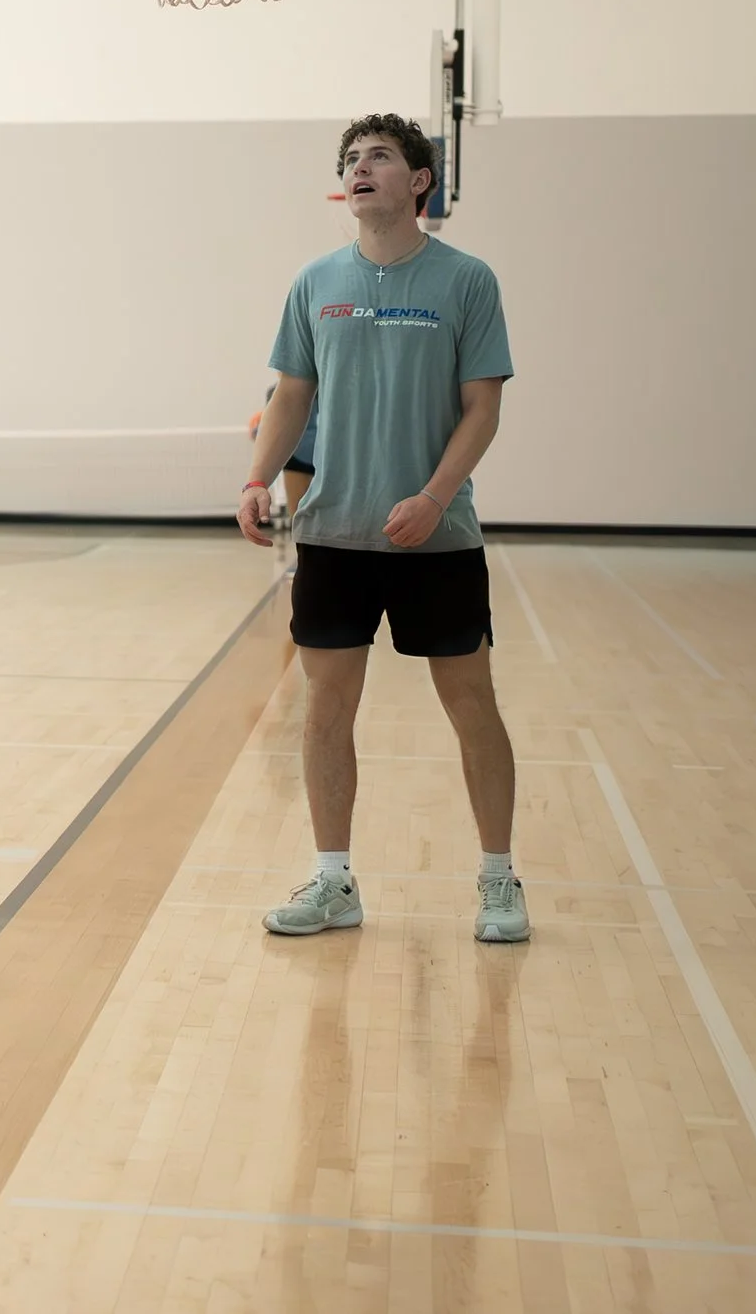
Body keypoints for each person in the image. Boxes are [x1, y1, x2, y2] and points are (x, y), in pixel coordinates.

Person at [239, 114, 525, 944]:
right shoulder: (314, 281)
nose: (361, 169)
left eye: (380, 158)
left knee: (472, 703)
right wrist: (259, 479)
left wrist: (436, 496)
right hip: (334, 535)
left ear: (419, 181)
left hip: (435, 537)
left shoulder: (467, 281)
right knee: (325, 707)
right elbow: (291, 395)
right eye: (352, 160)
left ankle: (499, 881)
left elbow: (484, 408)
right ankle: (334, 884)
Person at [251, 384, 319, 520]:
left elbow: (272, 427)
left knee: (298, 514)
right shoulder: (325, 387)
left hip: (297, 452)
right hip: (314, 452)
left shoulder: (279, 391)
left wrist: (256, 431)